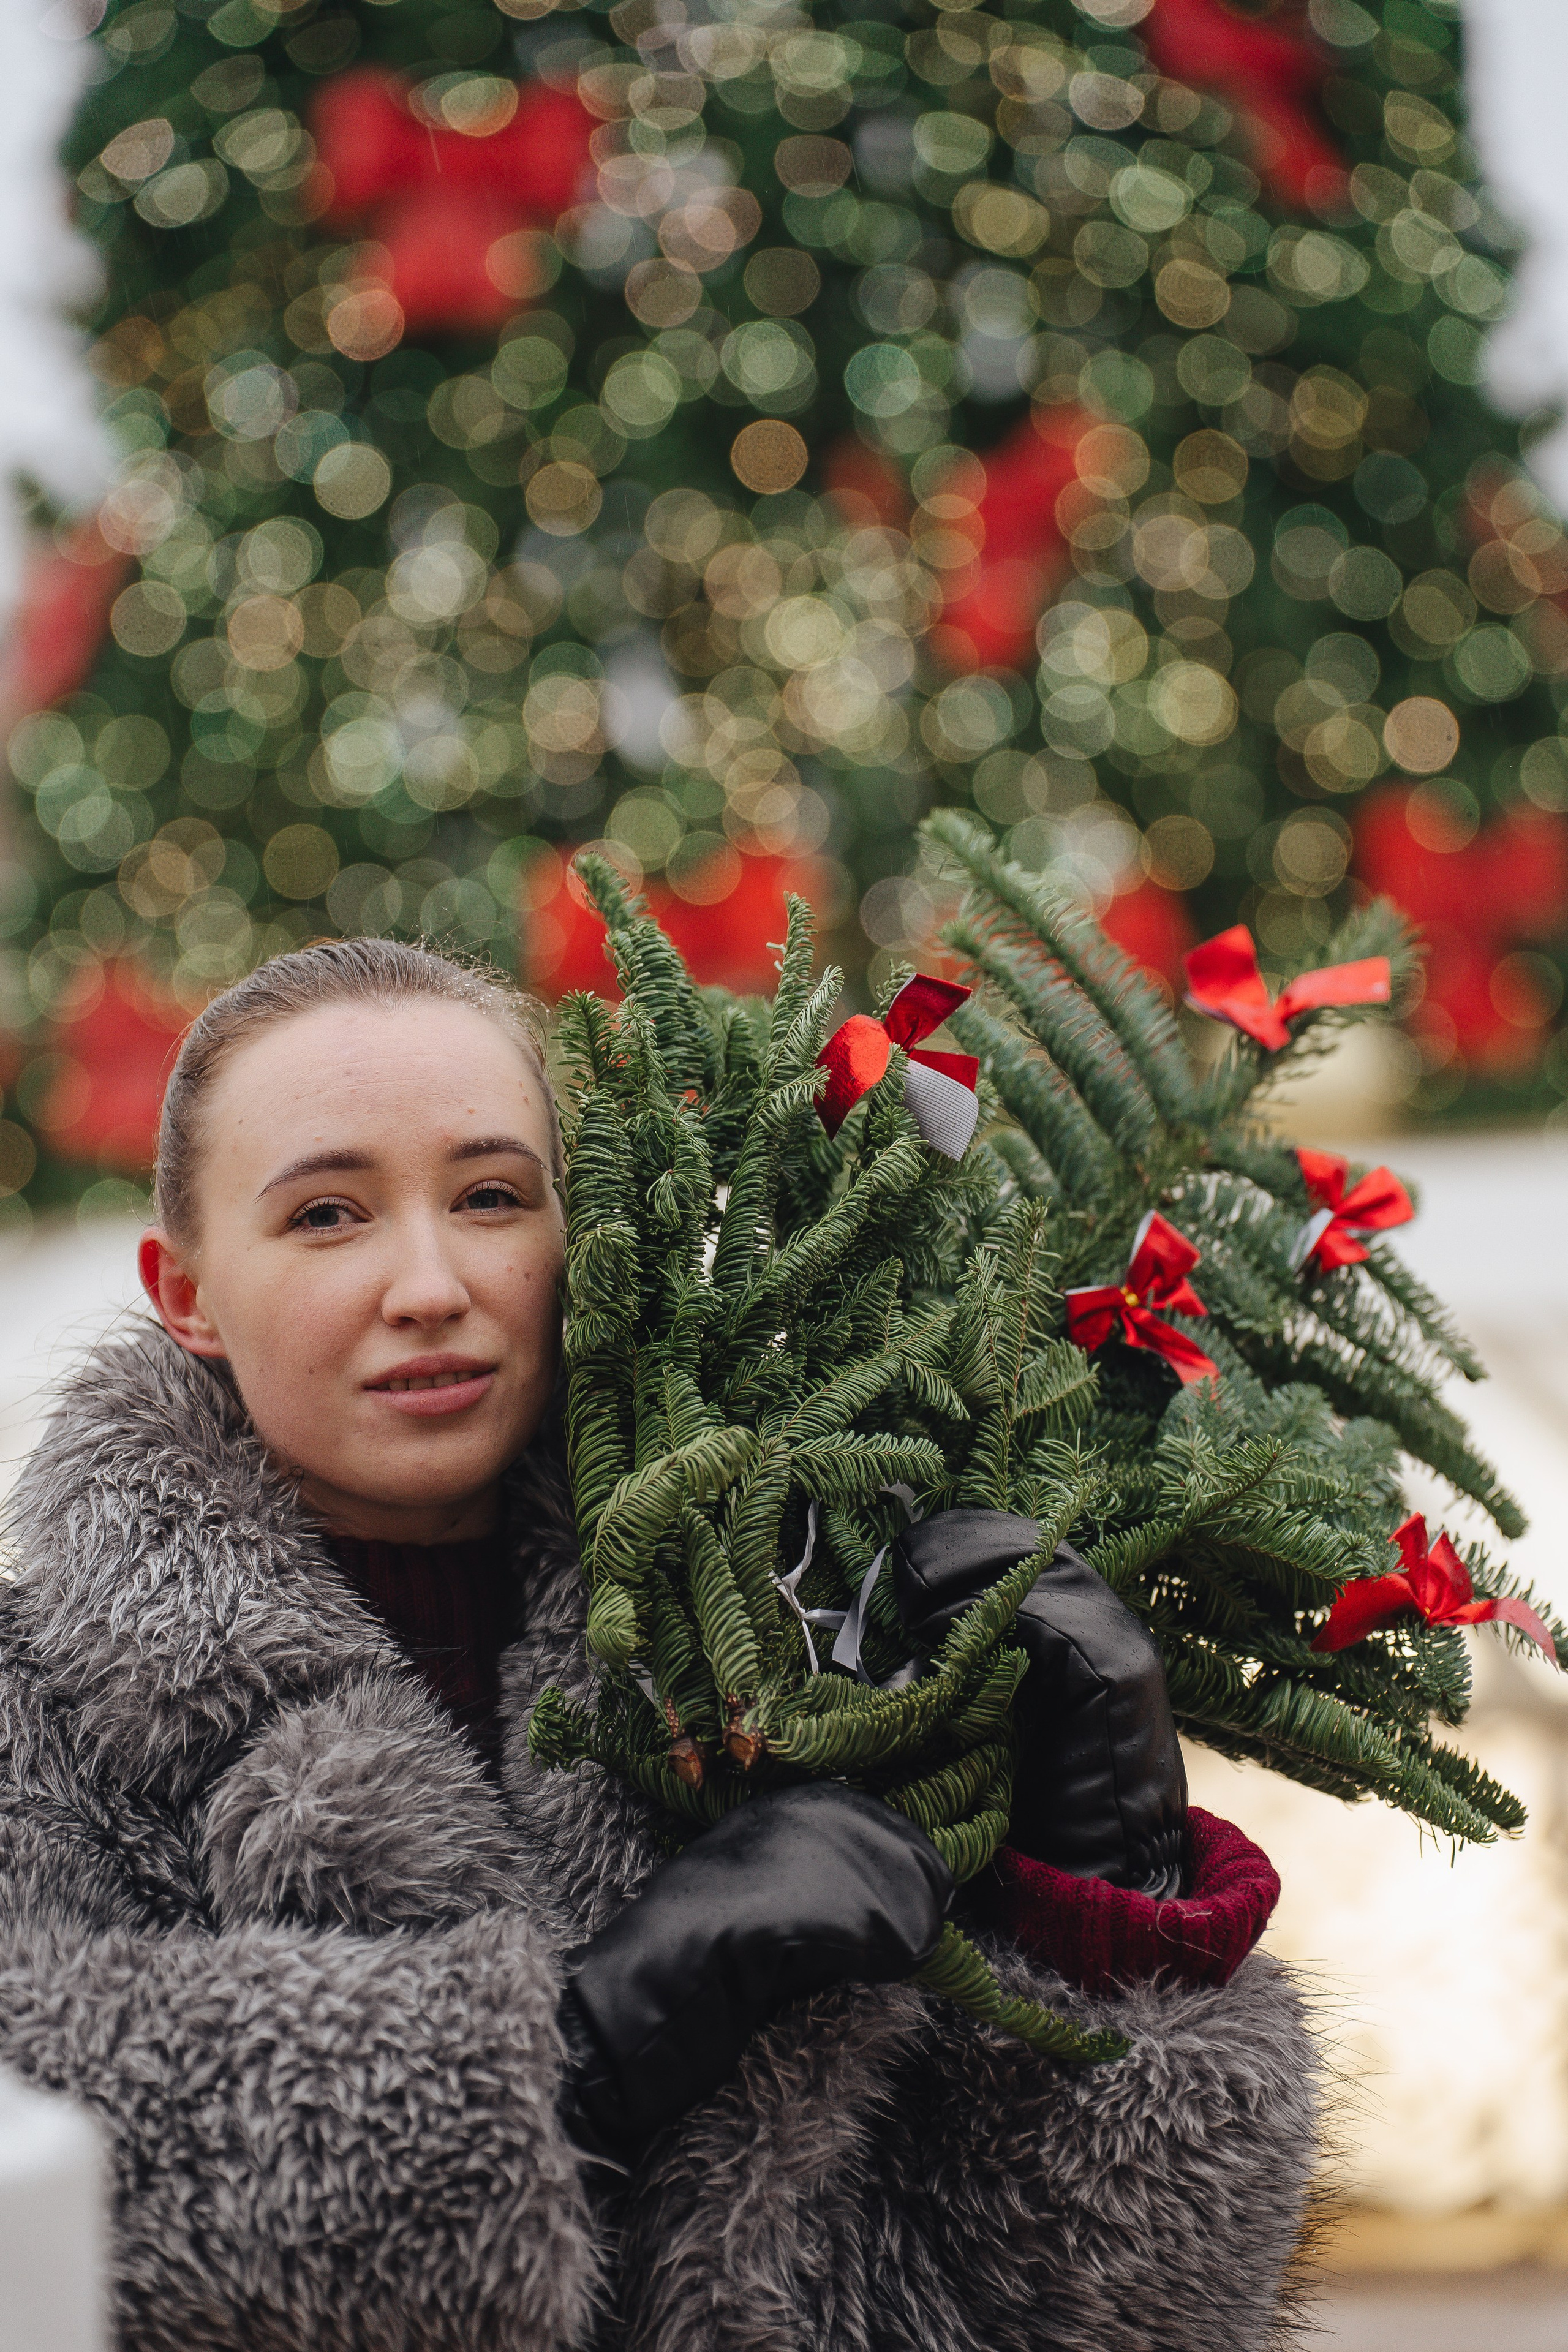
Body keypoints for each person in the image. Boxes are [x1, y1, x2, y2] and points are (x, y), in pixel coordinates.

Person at [0, 938, 1314, 2352]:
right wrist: (583, 2047)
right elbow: (53, 2196)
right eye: (328, 1214)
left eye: (492, 1196)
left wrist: (1107, 1892)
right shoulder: (40, 1709)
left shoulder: (783, 1644)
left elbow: (1078, 2309)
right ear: (185, 1289)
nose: (431, 1282)